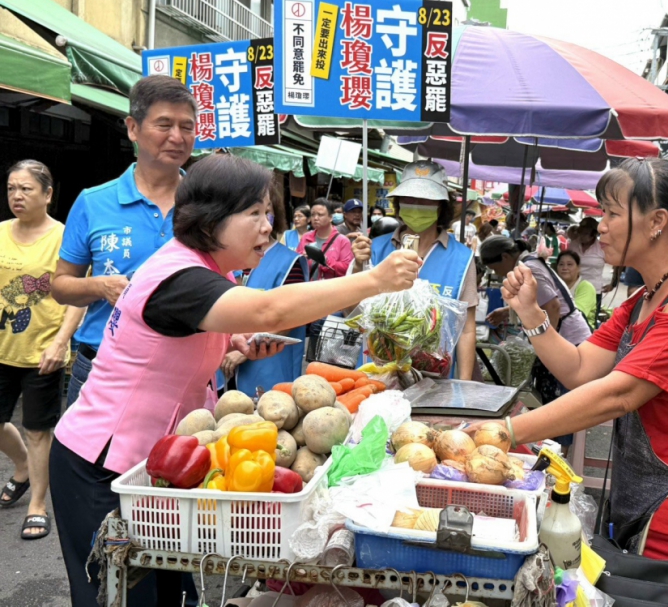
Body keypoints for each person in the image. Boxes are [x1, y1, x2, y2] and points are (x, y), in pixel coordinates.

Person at [49, 154, 420, 606]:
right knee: (118, 596)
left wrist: (232, 339)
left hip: (156, 467)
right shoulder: (181, 277)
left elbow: (184, 332)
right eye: (254, 213)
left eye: (268, 213)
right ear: (211, 219)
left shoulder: (204, 271)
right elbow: (270, 309)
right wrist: (374, 280)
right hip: (100, 465)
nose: (268, 227)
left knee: (166, 593)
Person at [470, 158, 668, 607]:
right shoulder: (646, 297)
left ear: (657, 221)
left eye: (611, 213)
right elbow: (579, 368)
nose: (599, 226)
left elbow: (619, 393)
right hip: (642, 513)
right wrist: (530, 313)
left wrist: (506, 431)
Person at [52, 75, 197, 407]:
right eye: (164, 124)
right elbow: (60, 286)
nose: (177, 137)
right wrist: (101, 286)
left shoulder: (209, 206)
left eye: (186, 127)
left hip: (186, 372)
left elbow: (227, 285)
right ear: (133, 128)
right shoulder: (93, 202)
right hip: (104, 371)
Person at [0, 161, 85, 540]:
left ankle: (37, 504)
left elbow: (77, 297)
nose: (16, 196)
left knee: (37, 430)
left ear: (48, 194)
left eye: (26, 189)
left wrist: (60, 342)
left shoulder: (64, 239)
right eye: (11, 189)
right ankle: (21, 466)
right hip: (2, 346)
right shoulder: (1, 233)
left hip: (42, 352)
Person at [350, 161, 478, 380]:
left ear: (441, 205)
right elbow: (352, 311)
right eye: (409, 199)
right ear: (399, 203)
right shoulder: (374, 249)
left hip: (434, 378)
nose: (417, 206)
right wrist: (357, 266)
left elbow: (466, 328)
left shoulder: (462, 258)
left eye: (426, 199)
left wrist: (464, 385)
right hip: (378, 375)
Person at [481, 236, 591, 451]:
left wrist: (546, 345)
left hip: (569, 339)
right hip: (566, 337)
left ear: (505, 257)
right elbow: (538, 302)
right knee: (550, 402)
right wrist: (507, 311)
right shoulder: (528, 264)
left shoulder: (530, 268)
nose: (498, 274)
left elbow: (553, 306)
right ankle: (551, 449)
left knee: (559, 405)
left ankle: (558, 455)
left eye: (495, 268)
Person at [221, 196, 308, 397]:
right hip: (223, 368)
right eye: (252, 212)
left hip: (269, 365)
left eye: (266, 212)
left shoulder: (289, 262)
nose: (261, 220)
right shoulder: (226, 258)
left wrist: (244, 350)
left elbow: (291, 316)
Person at [296, 198, 353, 281]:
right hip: (308, 287)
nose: (315, 218)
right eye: (313, 215)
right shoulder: (306, 237)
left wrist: (326, 261)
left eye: (320, 215)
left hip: (331, 287)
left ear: (330, 217)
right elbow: (296, 264)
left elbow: (347, 269)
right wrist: (302, 258)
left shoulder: (342, 241)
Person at [567, 216, 610, 314]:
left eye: (585, 233)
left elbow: (618, 264)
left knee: (591, 319)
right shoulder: (573, 245)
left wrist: (613, 283)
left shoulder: (602, 247)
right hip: (574, 289)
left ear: (594, 234)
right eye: (580, 232)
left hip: (594, 290)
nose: (581, 236)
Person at [555, 250, 597, 329]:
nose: (565, 268)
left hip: (581, 332)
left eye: (569, 264)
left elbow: (575, 315)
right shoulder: (554, 286)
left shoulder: (586, 287)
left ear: (578, 268)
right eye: (561, 264)